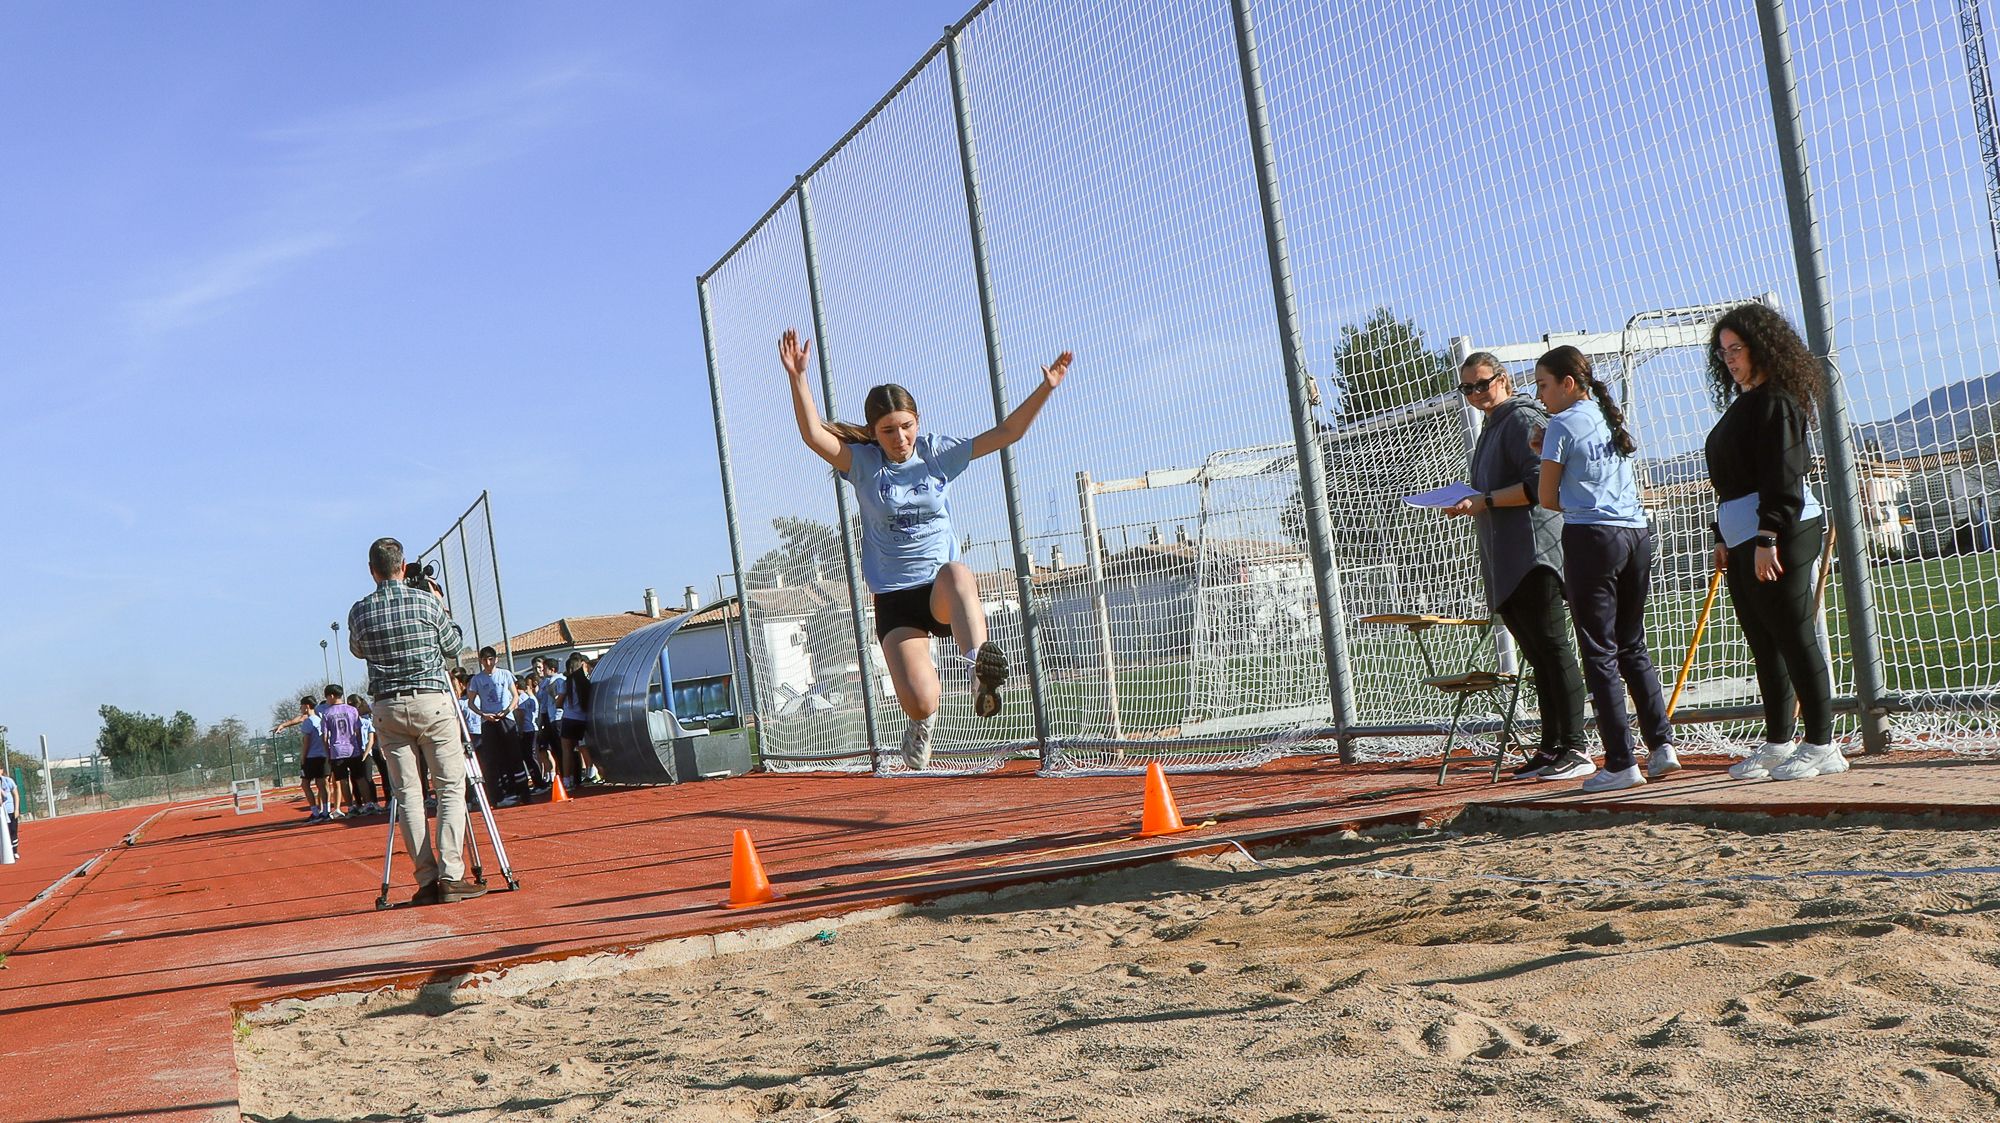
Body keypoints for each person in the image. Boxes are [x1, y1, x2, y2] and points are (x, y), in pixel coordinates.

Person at [779, 328, 1070, 769]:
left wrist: (1046, 388)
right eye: (888, 430)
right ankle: (921, 722)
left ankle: (979, 671)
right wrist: (799, 378)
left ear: (918, 421)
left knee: (957, 572)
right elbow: (813, 435)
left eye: (907, 426)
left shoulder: (937, 454)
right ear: (874, 433)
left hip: (939, 591)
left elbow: (1007, 432)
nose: (900, 437)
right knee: (921, 700)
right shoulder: (863, 465)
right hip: (896, 600)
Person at [1705, 303, 1845, 782]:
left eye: (1736, 348)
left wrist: (1767, 536)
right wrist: (1723, 536)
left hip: (1781, 533)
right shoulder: (1744, 403)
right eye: (1723, 351)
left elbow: (1782, 477)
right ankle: (1778, 742)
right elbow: (1732, 480)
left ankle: (1823, 744)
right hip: (1743, 537)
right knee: (1764, 642)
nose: (1729, 358)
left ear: (1762, 347)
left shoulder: (1778, 401)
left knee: (1793, 634)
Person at [1443, 352, 1593, 780]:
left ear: (1503, 379)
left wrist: (1486, 500)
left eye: (1483, 383)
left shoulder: (1521, 417)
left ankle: (1576, 747)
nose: (1476, 393)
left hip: (1535, 554)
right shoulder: (1493, 424)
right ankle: (1551, 747)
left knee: (1552, 648)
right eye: (1467, 388)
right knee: (1537, 655)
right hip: (1507, 557)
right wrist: (1474, 501)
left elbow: (1538, 482)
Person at [1534, 345, 1676, 792]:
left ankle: (1620, 762)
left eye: (1543, 385)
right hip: (1637, 534)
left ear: (1567, 384)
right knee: (1632, 644)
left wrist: (1549, 457)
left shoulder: (1560, 424)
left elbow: (1547, 498)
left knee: (1599, 650)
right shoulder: (1607, 416)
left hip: (1592, 538)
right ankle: (1662, 746)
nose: (1539, 396)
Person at [347, 536, 487, 905]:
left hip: (387, 708)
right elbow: (453, 647)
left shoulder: (359, 611)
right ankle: (451, 875)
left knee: (408, 795)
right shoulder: (425, 602)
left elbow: (357, 649)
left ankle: (426, 879)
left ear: (372, 570)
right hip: (431, 702)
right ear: (403, 565)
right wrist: (440, 604)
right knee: (450, 788)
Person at [467, 646, 529, 806]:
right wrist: (483, 714)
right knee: (492, 760)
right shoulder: (477, 679)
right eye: (485, 660)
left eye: (491, 659)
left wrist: (507, 710)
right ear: (481, 661)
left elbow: (515, 696)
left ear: (496, 659)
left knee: (514, 756)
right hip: (488, 722)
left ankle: (522, 793)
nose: (488, 663)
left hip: (506, 719)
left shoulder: (505, 674)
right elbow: (470, 702)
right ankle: (497, 797)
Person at [273, 697, 330, 821]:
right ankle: (326, 812)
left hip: (311, 757)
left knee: (305, 784)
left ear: (307, 706)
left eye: (301, 706)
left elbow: (306, 743)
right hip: (323, 756)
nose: (300, 708)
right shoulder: (320, 720)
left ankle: (315, 812)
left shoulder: (308, 722)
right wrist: (282, 725)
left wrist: (303, 759)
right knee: (322, 785)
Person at [319, 686, 365, 820]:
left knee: (343, 780)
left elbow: (325, 737)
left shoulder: (327, 713)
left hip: (337, 751)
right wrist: (360, 747)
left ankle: (350, 806)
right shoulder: (352, 710)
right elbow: (358, 731)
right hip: (353, 748)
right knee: (360, 778)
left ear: (331, 696)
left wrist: (327, 753)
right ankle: (368, 804)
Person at [1, 771, 19, 860]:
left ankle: (14, 851)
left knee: (13, 830)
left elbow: (15, 795)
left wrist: (16, 809)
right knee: (3, 833)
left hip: (10, 810)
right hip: (1, 812)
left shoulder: (8, 781)